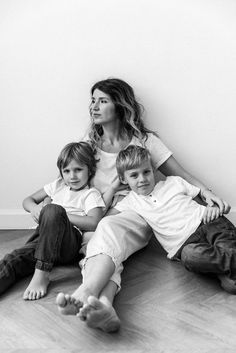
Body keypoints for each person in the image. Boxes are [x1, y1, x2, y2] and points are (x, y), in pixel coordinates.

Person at [56, 78, 231, 332]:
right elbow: (70, 178)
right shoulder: (89, 144)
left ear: (118, 106)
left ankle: (86, 291)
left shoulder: (145, 140)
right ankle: (104, 304)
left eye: (102, 101)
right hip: (100, 211)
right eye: (92, 100)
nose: (94, 106)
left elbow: (179, 174)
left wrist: (206, 191)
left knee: (105, 232)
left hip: (136, 211)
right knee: (98, 245)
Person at [111, 145, 236, 294]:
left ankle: (227, 270)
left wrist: (212, 206)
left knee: (231, 285)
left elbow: (202, 197)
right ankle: (229, 268)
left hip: (209, 223)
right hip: (185, 245)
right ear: (123, 179)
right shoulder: (130, 201)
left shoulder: (174, 182)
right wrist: (112, 189)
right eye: (134, 175)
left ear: (153, 170)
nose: (142, 179)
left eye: (146, 172)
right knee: (191, 256)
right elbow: (102, 220)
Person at [0, 142, 105, 300]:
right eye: (67, 171)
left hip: (67, 243)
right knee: (13, 259)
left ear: (89, 170)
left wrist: (59, 214)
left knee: (53, 209)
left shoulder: (90, 194)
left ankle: (42, 274)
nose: (72, 176)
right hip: (43, 240)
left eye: (78, 169)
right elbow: (28, 200)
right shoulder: (58, 186)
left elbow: (94, 222)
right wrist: (36, 209)